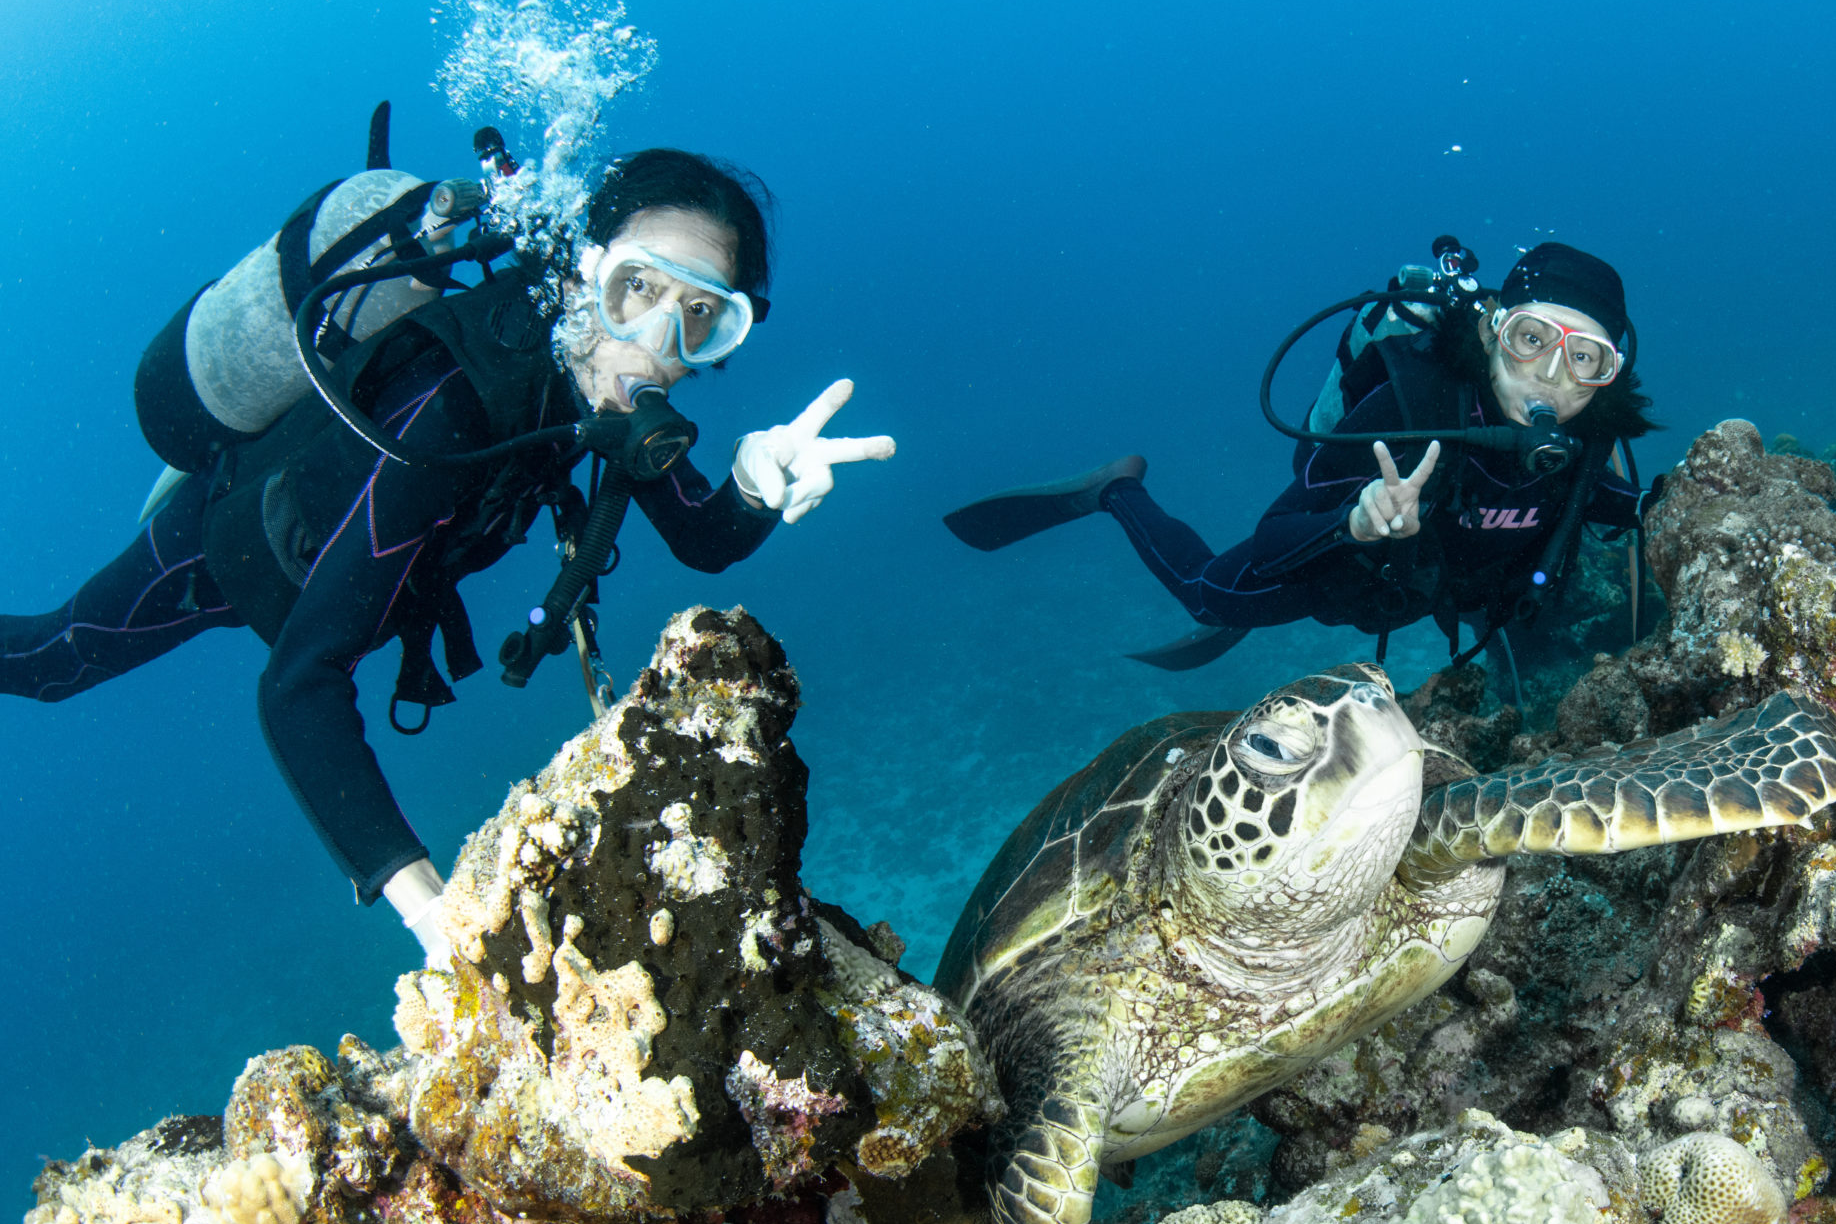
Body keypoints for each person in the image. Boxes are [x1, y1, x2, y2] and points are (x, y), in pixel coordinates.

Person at [0, 149, 893, 962]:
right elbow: (299, 683)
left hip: (358, 569)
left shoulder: (599, 385)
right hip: (229, 548)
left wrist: (753, 481)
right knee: (49, 662)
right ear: (582, 275)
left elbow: (703, 538)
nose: (659, 342)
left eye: (702, 317)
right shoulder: (456, 400)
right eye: (637, 288)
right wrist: (432, 912)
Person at [944, 242, 1655, 667]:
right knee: (1211, 596)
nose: (1551, 376)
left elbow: (1612, 502)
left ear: (1610, 373)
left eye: (1584, 357)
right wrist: (1357, 521)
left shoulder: (1589, 438)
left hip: (1446, 582)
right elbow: (1277, 532)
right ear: (1492, 331)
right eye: (1532, 338)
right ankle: (1115, 489)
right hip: (1354, 568)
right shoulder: (1408, 409)